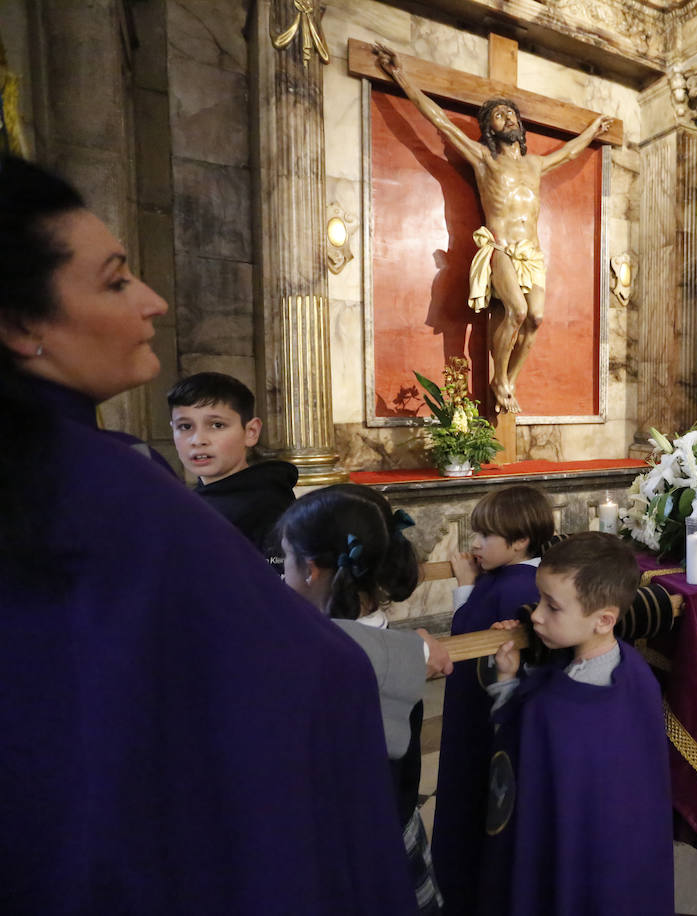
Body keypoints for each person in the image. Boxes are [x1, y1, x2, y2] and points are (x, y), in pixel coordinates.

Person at [0, 154, 416, 912]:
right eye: (117, 279)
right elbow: (316, 680)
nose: (153, 300)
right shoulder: (109, 486)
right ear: (24, 324)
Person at [372, 44, 612, 415]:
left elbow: (568, 153)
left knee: (536, 318)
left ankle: (507, 380)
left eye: (511, 113)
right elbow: (441, 122)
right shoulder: (484, 159)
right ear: (489, 129)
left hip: (531, 253)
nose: (507, 118)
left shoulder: (534, 165)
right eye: (499, 116)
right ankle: (499, 377)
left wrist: (593, 130)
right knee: (515, 310)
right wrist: (401, 76)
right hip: (499, 248)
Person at [278, 484, 454, 915]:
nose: (281, 572)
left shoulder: (304, 658)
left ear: (310, 571)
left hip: (334, 844)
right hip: (395, 826)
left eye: (285, 558)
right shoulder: (406, 650)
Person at [481, 533, 673, 915]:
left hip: (572, 864)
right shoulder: (637, 672)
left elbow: (514, 750)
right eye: (539, 601)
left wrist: (505, 684)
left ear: (604, 619)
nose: (535, 615)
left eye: (552, 607)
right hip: (627, 866)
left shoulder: (553, 709)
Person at [431, 484, 554, 910]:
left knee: (473, 801)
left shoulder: (514, 587)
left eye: (486, 537)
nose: (475, 545)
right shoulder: (513, 576)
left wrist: (465, 588)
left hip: (483, 720)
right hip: (483, 712)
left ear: (520, 542)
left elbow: (469, 646)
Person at [168, 371, 297, 567]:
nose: (198, 440)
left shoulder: (268, 507)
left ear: (251, 432)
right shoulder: (192, 498)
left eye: (217, 425)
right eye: (185, 427)